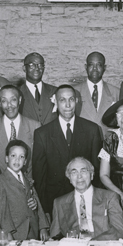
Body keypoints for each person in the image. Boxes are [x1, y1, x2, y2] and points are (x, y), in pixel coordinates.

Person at [32, 84, 103, 216]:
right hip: (54, 203)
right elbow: (39, 177)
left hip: (86, 200)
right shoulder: (42, 133)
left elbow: (97, 171)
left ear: (76, 101)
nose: (68, 105)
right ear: (55, 102)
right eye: (62, 100)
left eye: (71, 99)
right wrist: (44, 213)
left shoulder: (92, 129)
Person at [49, 157, 123, 241]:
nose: (79, 176)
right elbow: (54, 237)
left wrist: (92, 243)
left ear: (92, 175)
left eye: (83, 171)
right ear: (69, 178)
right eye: (74, 172)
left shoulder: (110, 197)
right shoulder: (59, 203)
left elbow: (119, 231)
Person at [0, 84, 40, 175]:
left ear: (19, 100)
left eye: (13, 100)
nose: (9, 105)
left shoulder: (35, 126)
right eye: (4, 101)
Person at [0, 140, 50, 241]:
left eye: (21, 157)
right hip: (16, 232)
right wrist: (8, 233)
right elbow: (2, 212)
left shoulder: (27, 179)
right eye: (13, 156)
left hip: (32, 231)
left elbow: (38, 204)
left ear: (25, 162)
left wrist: (43, 227)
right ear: (6, 158)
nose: (17, 160)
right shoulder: (1, 181)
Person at [74, 52, 120, 129]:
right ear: (86, 67)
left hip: (107, 139)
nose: (95, 69)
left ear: (104, 68)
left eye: (99, 65)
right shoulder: (74, 91)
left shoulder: (116, 92)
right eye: (91, 65)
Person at [18, 52, 57, 126]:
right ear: (24, 68)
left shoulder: (55, 91)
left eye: (40, 65)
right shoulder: (16, 93)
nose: (37, 68)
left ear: (44, 68)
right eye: (32, 65)